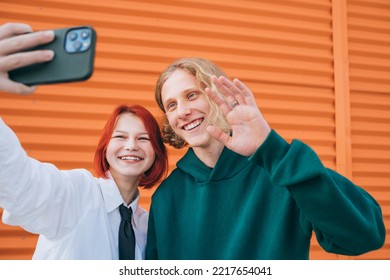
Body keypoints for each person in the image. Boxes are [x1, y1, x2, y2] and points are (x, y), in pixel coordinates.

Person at [146, 57, 386, 260]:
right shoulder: (166, 197)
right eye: (171, 105)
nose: (183, 111)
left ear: (217, 95)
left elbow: (366, 235)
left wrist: (273, 149)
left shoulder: (281, 171)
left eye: (191, 95)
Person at [0, 23, 169, 259]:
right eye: (120, 136)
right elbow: (20, 182)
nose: (131, 145)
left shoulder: (146, 227)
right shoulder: (76, 194)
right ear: (104, 150)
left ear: (156, 154)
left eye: (143, 138)